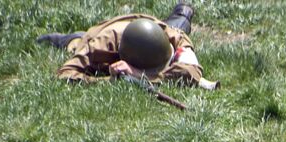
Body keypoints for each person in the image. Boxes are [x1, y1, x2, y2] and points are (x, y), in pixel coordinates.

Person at [37, 6, 218, 90]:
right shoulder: (97, 45)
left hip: (151, 24)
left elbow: (191, 72)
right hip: (97, 35)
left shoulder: (173, 37)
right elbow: (65, 75)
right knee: (75, 42)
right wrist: (109, 80)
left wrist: (140, 75)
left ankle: (182, 11)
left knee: (180, 23)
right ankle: (66, 38)